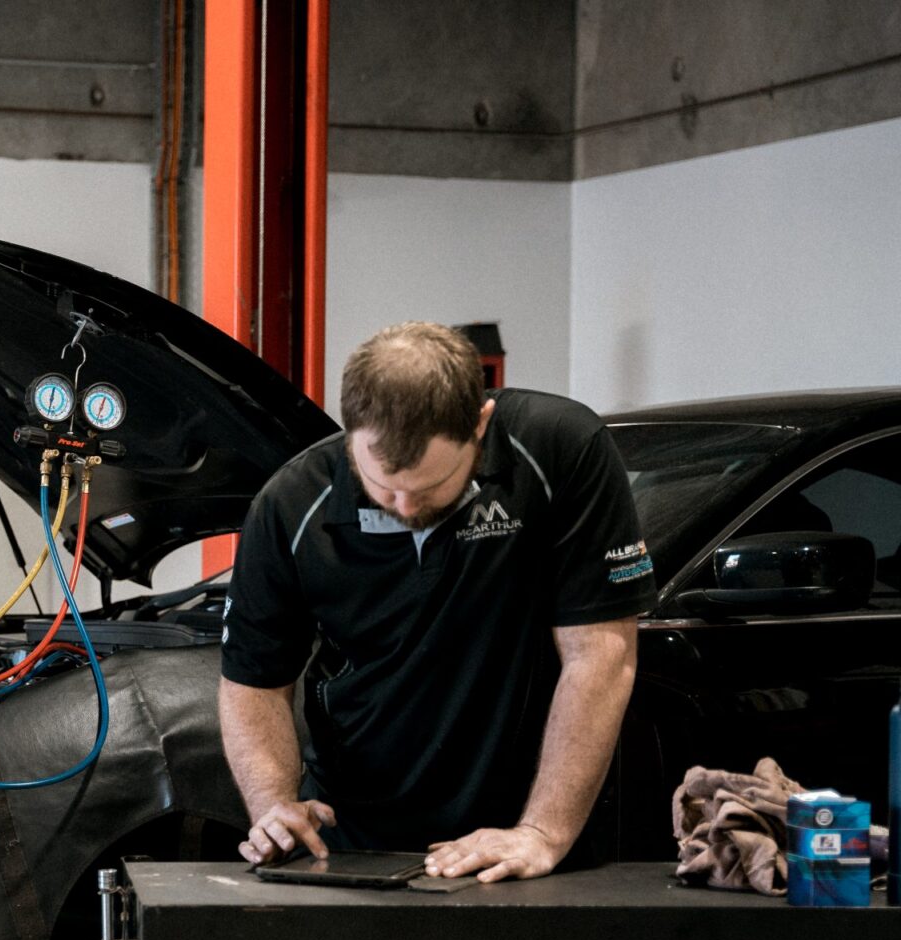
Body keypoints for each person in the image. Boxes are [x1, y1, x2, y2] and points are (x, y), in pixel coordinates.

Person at [217, 321, 655, 882]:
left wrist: (543, 832)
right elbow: (254, 682)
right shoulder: (290, 503)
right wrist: (273, 807)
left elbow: (600, 655)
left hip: (523, 834)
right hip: (353, 838)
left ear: (480, 424)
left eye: (427, 489)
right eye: (382, 486)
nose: (402, 505)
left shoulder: (560, 450)